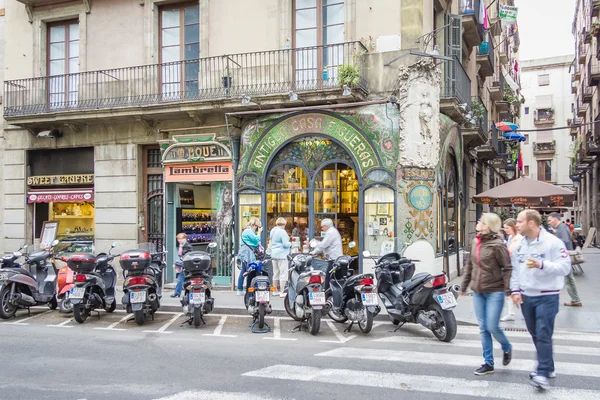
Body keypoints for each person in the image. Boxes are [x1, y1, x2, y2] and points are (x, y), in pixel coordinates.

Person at [510, 210, 571, 390]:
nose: (517, 224)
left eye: (520, 221)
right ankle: (549, 366)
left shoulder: (553, 242)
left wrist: (542, 264)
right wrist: (515, 290)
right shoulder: (519, 245)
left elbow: (565, 267)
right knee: (535, 333)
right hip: (527, 296)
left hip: (547, 295)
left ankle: (542, 372)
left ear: (531, 223)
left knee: (544, 332)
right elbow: (515, 270)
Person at [460, 213, 513, 376]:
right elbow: (470, 265)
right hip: (478, 291)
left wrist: (507, 289)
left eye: (481, 221)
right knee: (483, 328)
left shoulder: (498, 245)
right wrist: (464, 285)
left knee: (492, 326)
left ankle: (507, 347)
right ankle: (488, 363)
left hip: (495, 291)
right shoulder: (475, 241)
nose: (477, 223)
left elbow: (507, 268)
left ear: (487, 226)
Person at [547, 213, 582, 307]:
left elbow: (564, 241)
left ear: (555, 219)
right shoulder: (561, 227)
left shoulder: (561, 228)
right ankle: (575, 299)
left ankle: (576, 300)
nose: (549, 222)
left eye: (550, 220)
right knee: (568, 278)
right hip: (564, 257)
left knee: (569, 279)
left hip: (563, 257)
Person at [500, 218, 523, 322]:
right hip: (510, 266)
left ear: (513, 227)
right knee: (509, 290)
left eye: (507, 227)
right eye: (504, 228)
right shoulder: (510, 237)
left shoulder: (519, 239)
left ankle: (520, 312)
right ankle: (511, 313)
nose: (505, 230)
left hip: (517, 267)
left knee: (517, 290)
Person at [237, 218, 262, 296]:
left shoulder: (248, 231)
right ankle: (248, 290)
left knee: (244, 271)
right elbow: (256, 240)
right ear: (254, 225)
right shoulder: (248, 231)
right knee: (249, 271)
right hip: (248, 254)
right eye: (257, 227)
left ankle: (240, 289)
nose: (257, 229)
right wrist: (259, 233)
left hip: (246, 253)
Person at [269, 217, 291, 297]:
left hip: (274, 254)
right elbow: (285, 244)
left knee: (276, 273)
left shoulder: (273, 231)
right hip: (282, 254)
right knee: (283, 274)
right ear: (284, 224)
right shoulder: (282, 232)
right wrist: (290, 244)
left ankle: (275, 291)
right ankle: (282, 292)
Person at [171, 233, 193, 298]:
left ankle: (178, 293)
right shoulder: (182, 245)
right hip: (184, 264)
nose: (179, 240)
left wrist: (177, 264)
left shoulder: (187, 246)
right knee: (182, 279)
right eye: (178, 239)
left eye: (181, 239)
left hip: (186, 265)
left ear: (185, 238)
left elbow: (187, 257)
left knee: (182, 279)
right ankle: (179, 293)